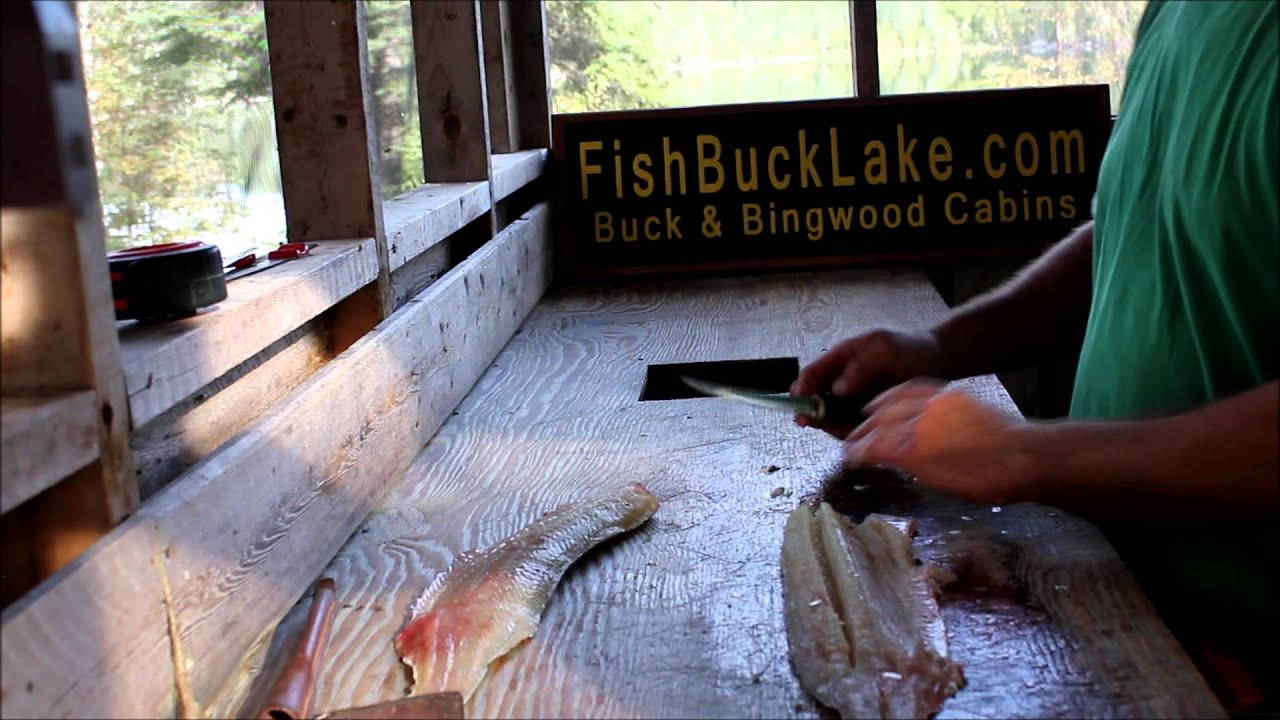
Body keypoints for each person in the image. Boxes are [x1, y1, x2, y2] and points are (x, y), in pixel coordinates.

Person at [791, 0, 1278, 713]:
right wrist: (941, 346)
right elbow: (1129, 226)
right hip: (1120, 598)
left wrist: (1026, 454)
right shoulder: (1181, 9)